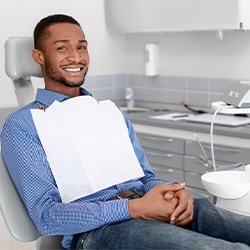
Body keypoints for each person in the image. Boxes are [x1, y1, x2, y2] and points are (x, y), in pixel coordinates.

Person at [1, 14, 250, 250]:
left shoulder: (109, 113)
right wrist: (134, 209)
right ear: (39, 56)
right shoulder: (23, 125)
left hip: (149, 207)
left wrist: (174, 192)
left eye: (82, 47)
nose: (76, 57)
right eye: (62, 48)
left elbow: (146, 178)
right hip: (99, 231)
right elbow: (47, 216)